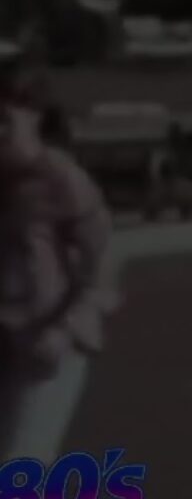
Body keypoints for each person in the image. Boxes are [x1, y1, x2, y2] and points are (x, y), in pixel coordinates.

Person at [0, 67, 117, 464]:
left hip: (47, 350)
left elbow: (103, 271)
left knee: (22, 465)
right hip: (5, 344)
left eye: (4, 121)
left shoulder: (63, 181)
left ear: (35, 118)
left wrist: (64, 332)